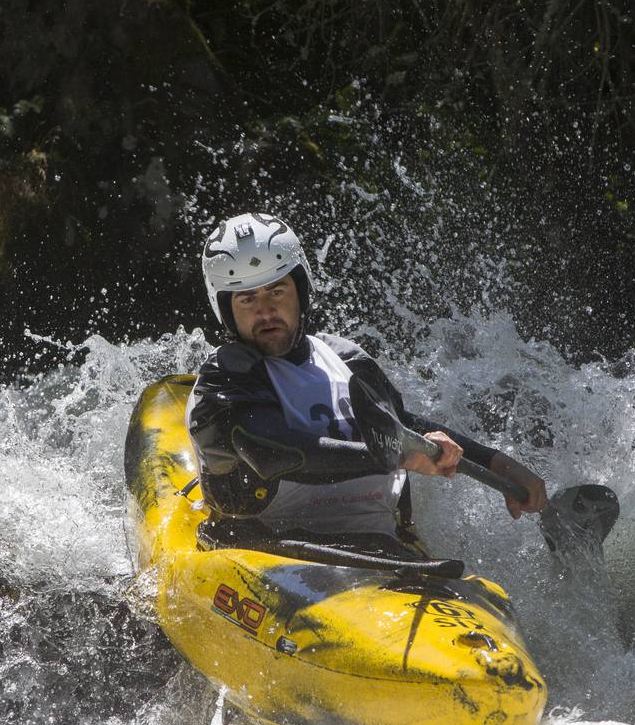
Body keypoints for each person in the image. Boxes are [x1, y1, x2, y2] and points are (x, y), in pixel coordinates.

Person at [186, 212, 547, 559]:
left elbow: (398, 425)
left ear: (301, 289)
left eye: (277, 291)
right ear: (226, 309)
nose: (265, 311)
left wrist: (497, 464)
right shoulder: (223, 382)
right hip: (268, 551)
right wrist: (394, 455)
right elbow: (275, 451)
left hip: (379, 548)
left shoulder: (346, 358)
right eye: (247, 299)